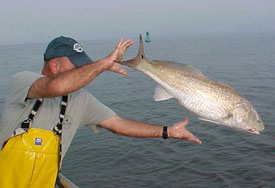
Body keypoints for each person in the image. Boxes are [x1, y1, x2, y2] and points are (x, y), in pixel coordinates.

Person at [0, 36, 201, 188]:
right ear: (54, 65)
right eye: (78, 66)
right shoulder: (23, 81)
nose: (84, 71)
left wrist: (167, 131)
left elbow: (119, 125)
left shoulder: (80, 99)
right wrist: (103, 65)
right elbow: (56, 87)